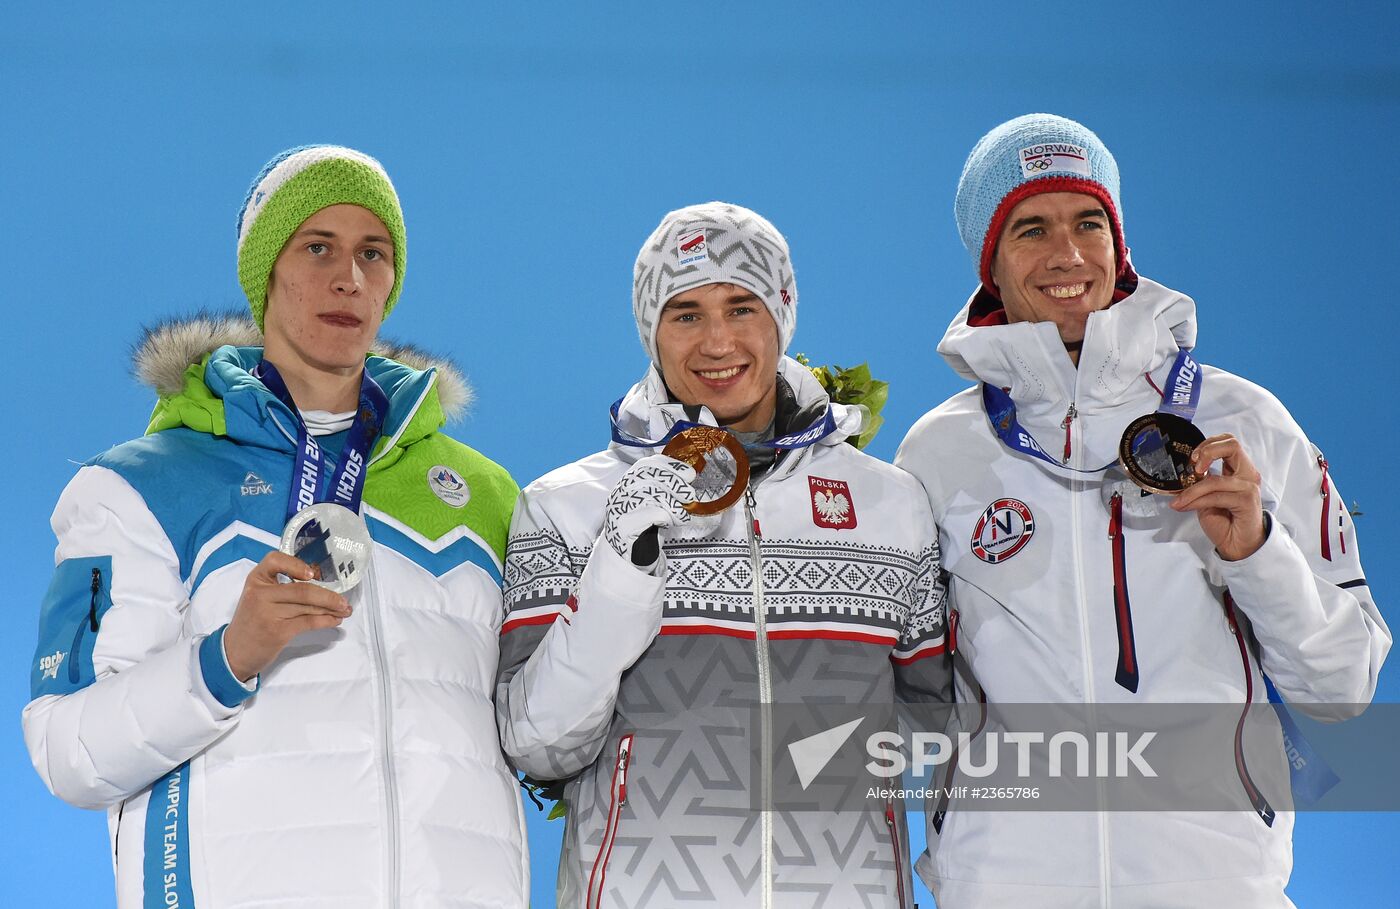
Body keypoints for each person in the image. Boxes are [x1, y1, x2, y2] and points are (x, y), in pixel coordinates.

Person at [895, 114, 1390, 907]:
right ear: (990, 262)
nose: (1068, 254)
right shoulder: (938, 452)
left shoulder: (1244, 419)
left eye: (1089, 222)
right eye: (1031, 228)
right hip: (1003, 884)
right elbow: (907, 692)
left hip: (1216, 881)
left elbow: (1343, 686)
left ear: (1120, 242)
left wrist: (1258, 551)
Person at [22, 145, 528, 907]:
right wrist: (226, 657)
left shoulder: (485, 494)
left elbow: (542, 722)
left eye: (373, 253)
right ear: (264, 273)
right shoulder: (140, 485)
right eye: (317, 247)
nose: (348, 277)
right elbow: (67, 749)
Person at [495, 202, 949, 907]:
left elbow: (941, 728)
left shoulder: (890, 505)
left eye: (742, 308)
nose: (716, 341)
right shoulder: (567, 505)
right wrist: (618, 571)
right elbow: (537, 744)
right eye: (685, 314)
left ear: (782, 316)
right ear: (651, 331)